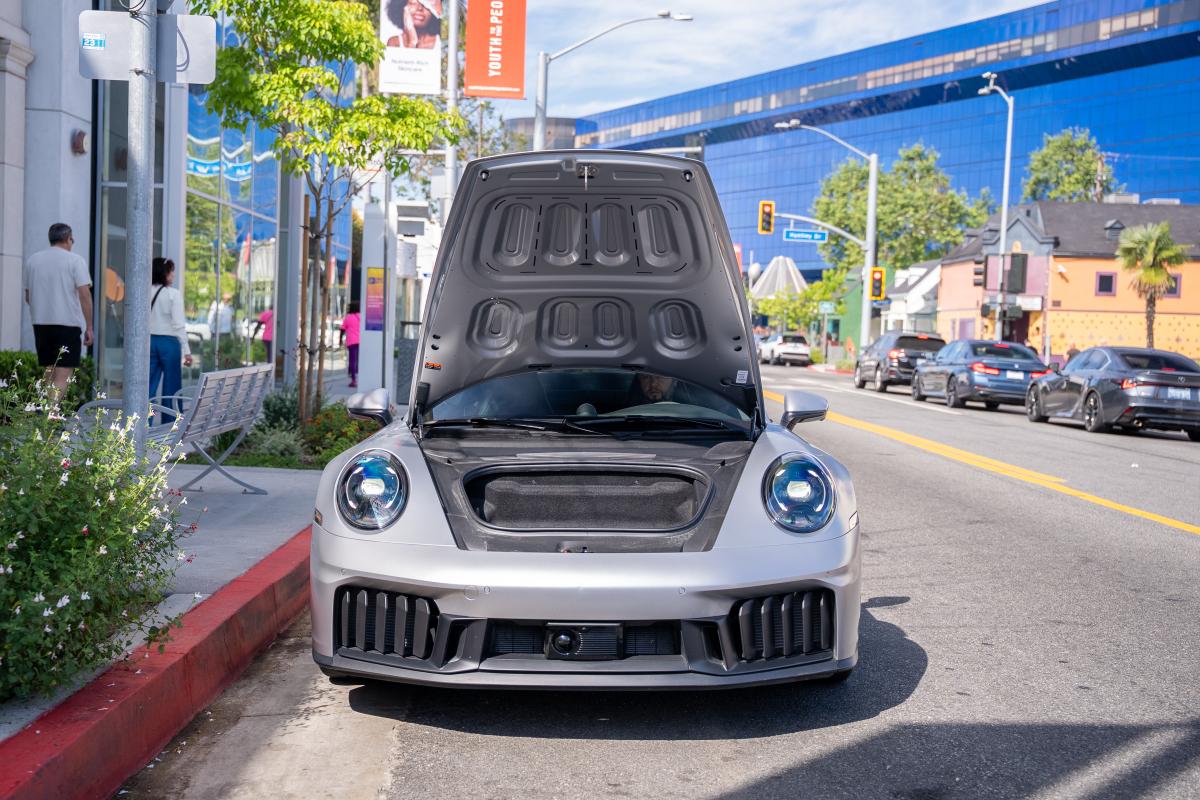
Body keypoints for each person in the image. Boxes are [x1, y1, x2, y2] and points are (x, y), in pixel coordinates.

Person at [24, 223, 93, 399]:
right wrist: (89, 327)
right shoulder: (75, 260)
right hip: (67, 325)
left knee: (49, 372)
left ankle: (44, 416)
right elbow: (85, 295)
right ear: (68, 239)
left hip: (40, 324)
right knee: (63, 376)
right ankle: (50, 419)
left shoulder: (33, 260)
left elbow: (28, 297)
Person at [148, 257, 192, 423]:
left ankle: (143, 423)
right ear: (164, 273)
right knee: (171, 386)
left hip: (149, 342)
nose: (173, 275)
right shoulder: (173, 294)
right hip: (169, 343)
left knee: (148, 386)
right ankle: (170, 423)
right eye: (171, 271)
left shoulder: (144, 291)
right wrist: (187, 351)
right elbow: (179, 325)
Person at [339, 302, 361, 388]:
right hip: (360, 341)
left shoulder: (348, 318)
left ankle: (353, 380)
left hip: (351, 341)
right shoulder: (361, 316)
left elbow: (342, 329)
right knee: (357, 360)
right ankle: (356, 375)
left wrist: (340, 340)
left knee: (352, 360)